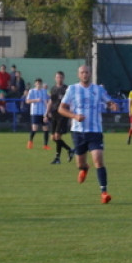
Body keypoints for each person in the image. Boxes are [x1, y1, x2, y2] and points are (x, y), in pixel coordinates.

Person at [58, 64, 117, 204]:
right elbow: (61, 109)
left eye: (87, 72)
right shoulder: (72, 89)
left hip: (95, 131)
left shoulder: (98, 90)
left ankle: (104, 192)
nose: (85, 74)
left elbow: (108, 101)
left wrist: (112, 105)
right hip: (78, 132)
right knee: (80, 163)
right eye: (82, 72)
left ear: (90, 74)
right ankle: (84, 168)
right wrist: (74, 116)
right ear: (79, 75)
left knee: (98, 159)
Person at [46, 71, 73, 164]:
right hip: (54, 114)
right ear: (55, 78)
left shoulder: (67, 89)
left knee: (57, 136)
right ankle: (70, 150)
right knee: (53, 138)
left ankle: (57, 158)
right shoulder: (53, 88)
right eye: (57, 77)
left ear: (63, 78)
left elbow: (70, 102)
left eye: (61, 77)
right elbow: (50, 101)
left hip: (63, 114)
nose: (59, 79)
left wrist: (71, 115)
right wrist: (46, 113)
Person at [24, 78, 50, 149]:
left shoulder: (44, 91)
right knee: (35, 128)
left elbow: (46, 101)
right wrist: (35, 100)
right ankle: (30, 142)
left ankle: (45, 145)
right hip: (35, 112)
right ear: (35, 84)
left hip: (43, 112)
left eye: (40, 83)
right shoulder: (32, 91)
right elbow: (27, 101)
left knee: (46, 128)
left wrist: (47, 112)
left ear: (41, 84)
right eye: (37, 83)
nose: (38, 85)